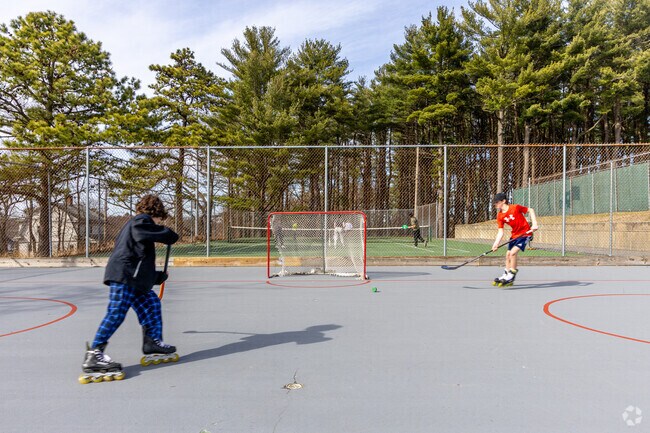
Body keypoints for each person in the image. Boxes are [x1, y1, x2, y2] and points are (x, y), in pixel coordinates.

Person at [82, 194, 179, 379]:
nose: (159, 224)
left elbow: (141, 262)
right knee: (116, 312)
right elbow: (143, 232)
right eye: (159, 220)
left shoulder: (141, 225)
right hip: (123, 276)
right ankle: (94, 353)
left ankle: (152, 342)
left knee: (152, 303)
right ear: (155, 214)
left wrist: (157, 277)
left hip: (133, 279)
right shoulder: (140, 221)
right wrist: (167, 234)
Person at [491, 192, 538, 286]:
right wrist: (495, 244)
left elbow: (531, 210)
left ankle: (512, 274)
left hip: (525, 234)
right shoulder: (500, 216)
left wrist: (535, 224)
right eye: (494, 203)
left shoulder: (515, 207)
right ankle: (506, 274)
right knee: (508, 254)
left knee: (512, 253)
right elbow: (500, 232)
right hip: (515, 235)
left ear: (503, 201)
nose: (495, 204)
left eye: (497, 202)